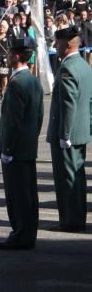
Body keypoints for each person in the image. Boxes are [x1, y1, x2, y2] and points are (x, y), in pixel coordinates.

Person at [0, 37, 43, 250]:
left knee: (17, 196)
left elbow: (12, 122)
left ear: (17, 56)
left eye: (10, 51)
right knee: (28, 195)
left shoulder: (16, 84)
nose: (7, 54)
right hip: (28, 146)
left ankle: (20, 235)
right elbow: (38, 117)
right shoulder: (33, 81)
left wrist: (8, 149)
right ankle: (27, 234)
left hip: (15, 150)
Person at [47, 25, 92, 233]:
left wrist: (64, 134)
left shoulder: (67, 68)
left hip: (68, 133)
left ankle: (71, 220)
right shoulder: (84, 66)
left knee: (67, 179)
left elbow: (68, 104)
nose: (55, 45)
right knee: (77, 177)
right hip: (80, 131)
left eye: (57, 42)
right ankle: (76, 218)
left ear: (66, 44)